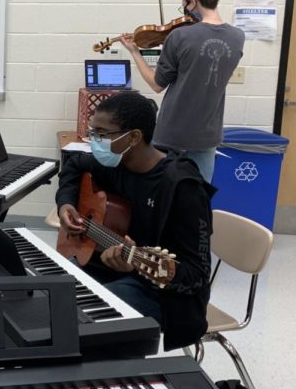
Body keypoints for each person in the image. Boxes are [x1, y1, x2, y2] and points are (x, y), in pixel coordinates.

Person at [56, 91, 215, 350]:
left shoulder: (183, 189)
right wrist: (66, 204)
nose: (93, 140)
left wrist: (135, 264)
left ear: (133, 137)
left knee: (84, 315)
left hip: (163, 295)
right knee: (51, 295)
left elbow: (196, 276)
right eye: (91, 132)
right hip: (111, 270)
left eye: (101, 134)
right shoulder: (116, 162)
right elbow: (73, 164)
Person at [120, 0, 244, 182]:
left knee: (164, 195)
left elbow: (157, 85)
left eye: (185, 5)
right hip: (208, 134)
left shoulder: (179, 35)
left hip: (172, 133)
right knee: (197, 197)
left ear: (193, 2)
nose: (186, 10)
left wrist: (134, 52)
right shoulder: (237, 37)